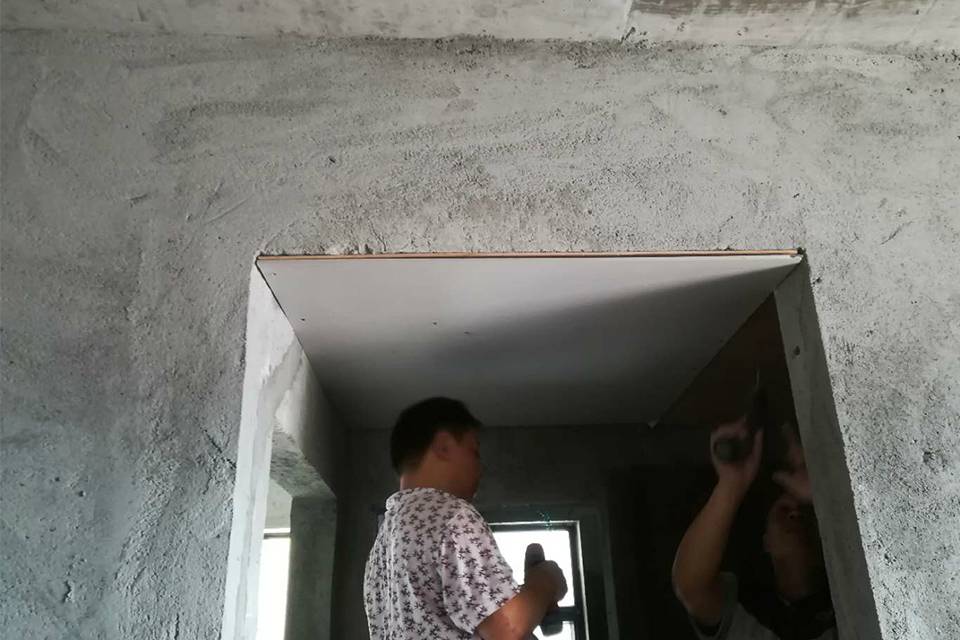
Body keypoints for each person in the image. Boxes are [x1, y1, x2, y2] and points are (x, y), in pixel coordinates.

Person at [363, 397, 567, 640]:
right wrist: (545, 581)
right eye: (474, 451)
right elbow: (506, 628)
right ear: (443, 446)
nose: (481, 468)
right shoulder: (451, 515)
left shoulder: (382, 546)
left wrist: (524, 599)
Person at [672, 417, 837, 640]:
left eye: (807, 510)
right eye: (784, 510)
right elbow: (691, 587)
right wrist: (731, 483)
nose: (796, 512)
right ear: (766, 542)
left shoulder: (850, 597)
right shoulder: (752, 612)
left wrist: (826, 495)